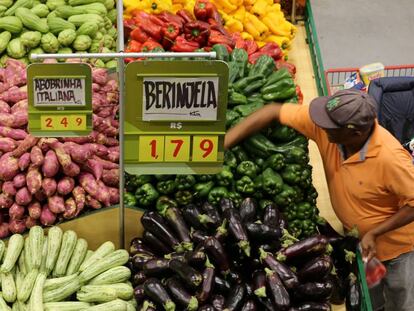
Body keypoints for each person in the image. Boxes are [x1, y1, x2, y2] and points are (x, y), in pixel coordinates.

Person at [224, 89, 414, 311]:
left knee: (401, 296)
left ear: (354, 132)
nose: (320, 126)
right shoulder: (332, 130)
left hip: (398, 248)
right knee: (371, 293)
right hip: (360, 241)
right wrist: (223, 144)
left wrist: (375, 232)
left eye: (329, 126)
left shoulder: (390, 159)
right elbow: (273, 111)